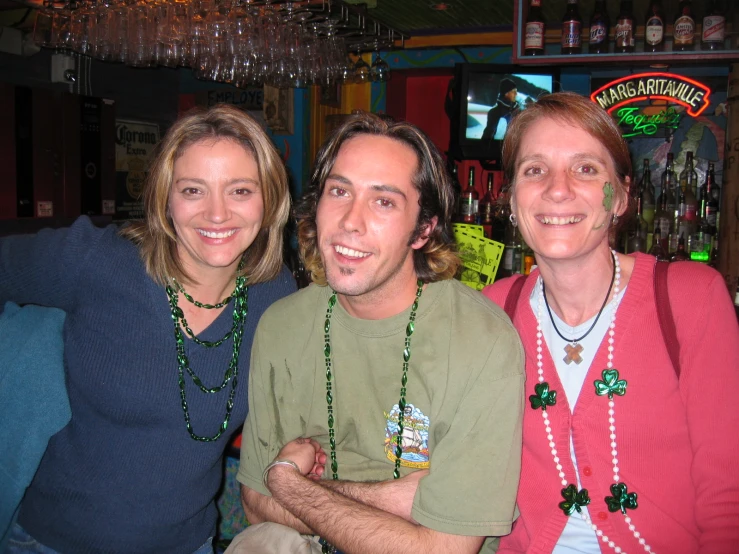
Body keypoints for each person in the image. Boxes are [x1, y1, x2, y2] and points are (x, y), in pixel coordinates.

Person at [0, 104, 296, 553]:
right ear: (165, 198)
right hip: (53, 543)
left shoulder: (274, 294)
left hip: (188, 544)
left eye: (239, 190)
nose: (217, 214)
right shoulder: (100, 261)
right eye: (193, 190)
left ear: (269, 199)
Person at [228, 113, 524, 554]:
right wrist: (390, 499)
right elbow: (256, 501)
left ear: (423, 229)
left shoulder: (482, 340)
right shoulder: (282, 325)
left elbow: (445, 546)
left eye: (384, 202)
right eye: (339, 191)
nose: (351, 221)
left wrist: (289, 484)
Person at [483, 91, 739, 553]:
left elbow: (728, 499)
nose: (556, 189)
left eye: (585, 168)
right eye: (534, 170)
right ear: (512, 197)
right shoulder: (491, 312)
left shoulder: (690, 299)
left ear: (620, 196)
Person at [481, 77, 519, 142]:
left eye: (516, 91)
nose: (516, 94)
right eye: (513, 91)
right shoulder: (494, 112)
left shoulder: (518, 112)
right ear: (506, 93)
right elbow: (487, 138)